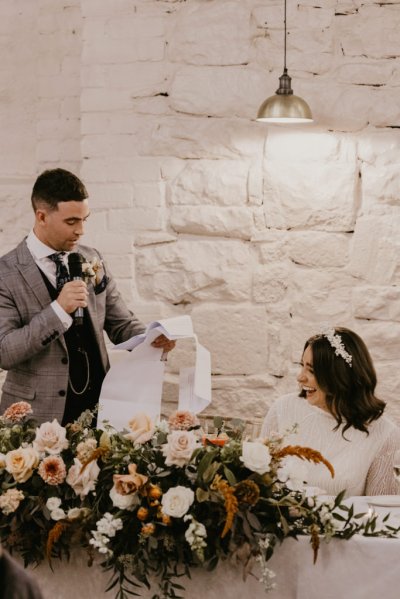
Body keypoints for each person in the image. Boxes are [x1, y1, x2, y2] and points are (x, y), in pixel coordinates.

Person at [0, 168, 175, 425]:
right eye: (71, 222)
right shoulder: (6, 273)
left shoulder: (92, 258)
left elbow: (121, 323)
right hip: (36, 417)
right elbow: (4, 351)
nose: (81, 230)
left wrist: (151, 339)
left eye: (85, 220)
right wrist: (58, 310)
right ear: (41, 216)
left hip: (99, 411)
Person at [261, 327, 400, 497]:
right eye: (302, 365)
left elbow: (381, 510)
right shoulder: (283, 409)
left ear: (339, 376)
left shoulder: (385, 434)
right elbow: (258, 484)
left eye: (311, 370)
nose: (300, 377)